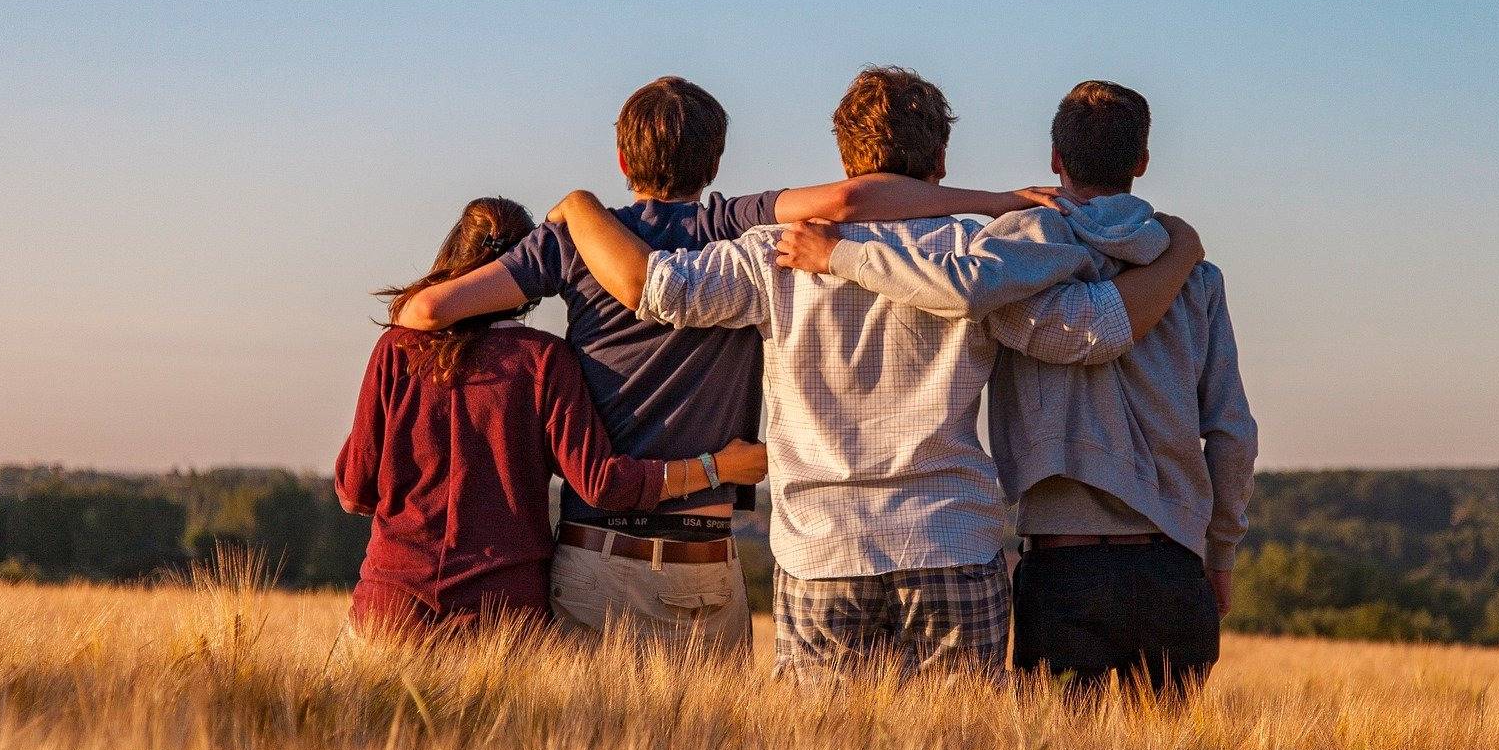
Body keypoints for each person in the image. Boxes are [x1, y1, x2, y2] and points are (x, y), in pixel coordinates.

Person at [550, 67, 1206, 681]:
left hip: (821, 550)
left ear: (845, 158)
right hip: (950, 539)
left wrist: (581, 208)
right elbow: (1091, 331)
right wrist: (1179, 255)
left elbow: (655, 289)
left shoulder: (772, 254)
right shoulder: (980, 255)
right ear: (940, 162)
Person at [388, 76, 1074, 650]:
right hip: (717, 555)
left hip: (609, 551)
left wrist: (566, 227)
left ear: (622, 160)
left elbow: (425, 314)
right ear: (715, 162)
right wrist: (997, 201)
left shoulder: (578, 242)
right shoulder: (734, 226)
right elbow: (849, 201)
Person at [775, 80, 1257, 697]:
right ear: (1141, 163)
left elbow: (962, 289)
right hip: (1174, 564)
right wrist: (1219, 555)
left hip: (1062, 565)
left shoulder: (1012, 256)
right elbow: (1232, 433)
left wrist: (841, 255)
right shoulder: (1195, 276)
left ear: (1055, 159)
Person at [334, 196, 767, 638]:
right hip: (502, 618)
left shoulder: (397, 350)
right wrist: (719, 467)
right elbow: (602, 484)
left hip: (390, 608)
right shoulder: (544, 361)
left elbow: (354, 491)